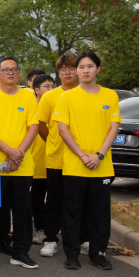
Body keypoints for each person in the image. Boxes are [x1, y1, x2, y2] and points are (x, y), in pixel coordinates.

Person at [55, 51, 119, 270]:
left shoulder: (110, 96)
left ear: (98, 69)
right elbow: (63, 129)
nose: (85, 71)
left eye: (90, 66)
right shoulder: (67, 97)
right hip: (75, 165)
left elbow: (113, 127)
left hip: (102, 165)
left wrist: (99, 155)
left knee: (100, 213)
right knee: (72, 211)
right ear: (76, 70)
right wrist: (82, 155)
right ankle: (72, 254)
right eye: (80, 67)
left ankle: (98, 253)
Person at [0, 57, 40, 269]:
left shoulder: (29, 97)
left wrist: (18, 153)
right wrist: (9, 152)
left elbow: (33, 127)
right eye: (6, 70)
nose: (11, 73)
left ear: (19, 73)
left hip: (22, 164)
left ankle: (21, 251)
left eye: (14, 69)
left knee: (22, 210)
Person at [37, 54, 85, 258]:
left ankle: (81, 239)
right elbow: (41, 126)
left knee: (79, 202)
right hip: (56, 158)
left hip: (82, 159)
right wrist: (55, 143)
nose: (67, 72)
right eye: (63, 69)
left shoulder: (87, 94)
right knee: (54, 200)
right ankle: (50, 239)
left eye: (71, 68)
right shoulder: (50, 96)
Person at [30, 74, 56, 244]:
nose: (50, 89)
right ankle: (40, 229)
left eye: (52, 86)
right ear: (36, 89)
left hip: (54, 161)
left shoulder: (57, 105)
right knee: (36, 200)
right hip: (34, 162)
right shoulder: (30, 107)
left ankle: (52, 231)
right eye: (47, 86)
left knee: (54, 200)